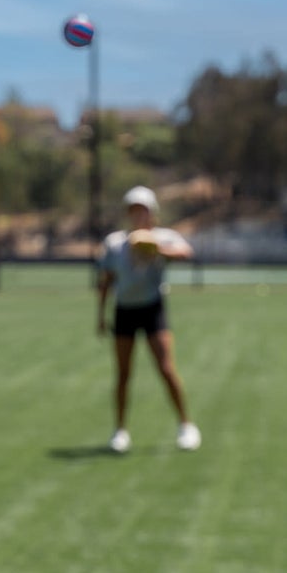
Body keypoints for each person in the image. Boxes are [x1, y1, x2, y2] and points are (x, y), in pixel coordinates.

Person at [96, 185, 201, 455]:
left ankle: (186, 425)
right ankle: (120, 430)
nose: (138, 215)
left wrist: (157, 249)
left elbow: (186, 253)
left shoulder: (162, 237)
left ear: (152, 212)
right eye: (134, 210)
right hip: (124, 311)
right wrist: (100, 316)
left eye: (143, 209)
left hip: (153, 309)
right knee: (123, 374)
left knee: (166, 368)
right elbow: (106, 281)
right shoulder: (115, 242)